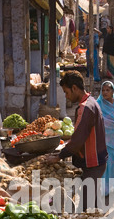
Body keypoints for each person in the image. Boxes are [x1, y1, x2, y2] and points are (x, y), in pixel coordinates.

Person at [45, 70, 108, 210]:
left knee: (87, 207)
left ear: (74, 88)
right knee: (93, 203)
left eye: (66, 92)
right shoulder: (90, 101)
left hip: (93, 162)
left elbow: (78, 139)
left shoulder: (85, 108)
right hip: (96, 161)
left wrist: (58, 157)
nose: (66, 97)